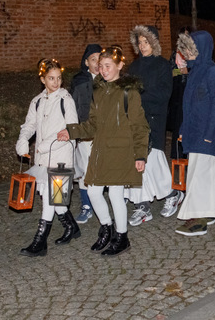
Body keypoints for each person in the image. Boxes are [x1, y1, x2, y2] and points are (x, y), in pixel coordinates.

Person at [58, 46, 148, 256]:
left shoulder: (129, 92)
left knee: (116, 194)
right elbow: (92, 125)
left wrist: (140, 154)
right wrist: (71, 131)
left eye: (108, 66)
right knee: (93, 191)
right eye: (101, 66)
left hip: (121, 150)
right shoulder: (98, 91)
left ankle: (122, 237)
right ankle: (107, 228)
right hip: (101, 150)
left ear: (120, 65)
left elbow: (140, 126)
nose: (104, 70)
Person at [16, 58, 79, 257]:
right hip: (43, 160)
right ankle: (72, 227)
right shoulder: (37, 101)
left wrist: (46, 145)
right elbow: (30, 125)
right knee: (56, 200)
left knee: (51, 201)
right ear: (42, 79)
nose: (56, 82)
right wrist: (23, 139)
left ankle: (40, 241)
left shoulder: (66, 100)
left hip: (61, 157)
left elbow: (72, 129)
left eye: (59, 78)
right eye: (51, 78)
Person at [174, 30, 215, 237]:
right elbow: (188, 106)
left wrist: (209, 133)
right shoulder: (195, 71)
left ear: (201, 49)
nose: (186, 53)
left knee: (199, 174)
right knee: (207, 170)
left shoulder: (212, 71)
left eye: (190, 49)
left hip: (206, 133)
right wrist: (183, 130)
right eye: (185, 49)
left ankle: (199, 218)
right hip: (194, 131)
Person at [126, 25, 181, 227]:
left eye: (146, 42)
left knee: (154, 160)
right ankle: (142, 205)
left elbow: (164, 94)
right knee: (137, 161)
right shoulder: (133, 67)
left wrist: (139, 94)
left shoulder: (163, 65)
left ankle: (172, 193)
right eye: (140, 42)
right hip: (135, 120)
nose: (142, 46)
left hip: (154, 118)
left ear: (154, 43)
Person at [69, 43, 101, 224]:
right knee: (85, 169)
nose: (97, 63)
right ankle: (87, 205)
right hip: (86, 133)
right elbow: (73, 107)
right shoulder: (79, 81)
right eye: (93, 59)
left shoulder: (109, 78)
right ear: (86, 62)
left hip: (105, 133)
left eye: (99, 58)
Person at [167, 27, 191, 159]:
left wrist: (189, 71)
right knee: (178, 122)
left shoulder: (194, 53)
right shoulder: (175, 53)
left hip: (190, 90)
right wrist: (180, 71)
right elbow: (169, 72)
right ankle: (177, 154)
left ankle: (189, 154)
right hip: (178, 91)